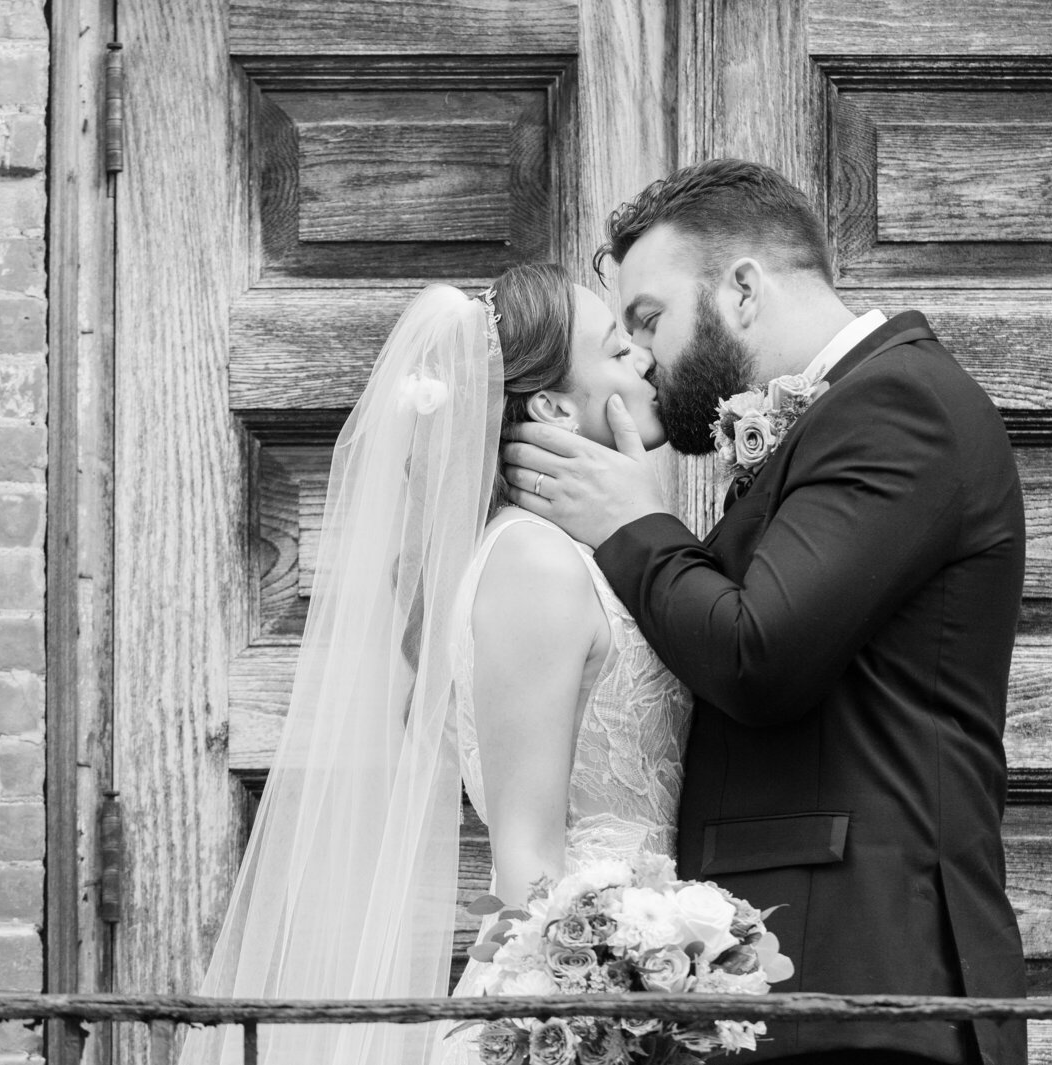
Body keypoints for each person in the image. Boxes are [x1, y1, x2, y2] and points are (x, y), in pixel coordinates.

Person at [502, 159, 1029, 1065]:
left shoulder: (902, 405)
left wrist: (632, 523)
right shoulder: (841, 418)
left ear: (742, 289)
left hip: (868, 988)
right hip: (791, 989)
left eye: (650, 318)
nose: (643, 356)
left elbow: (759, 651)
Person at [178, 266, 690, 1065]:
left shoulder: (571, 552)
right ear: (553, 407)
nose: (648, 362)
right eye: (620, 351)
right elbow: (529, 859)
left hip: (645, 972)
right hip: (581, 996)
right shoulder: (533, 562)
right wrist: (594, 1031)